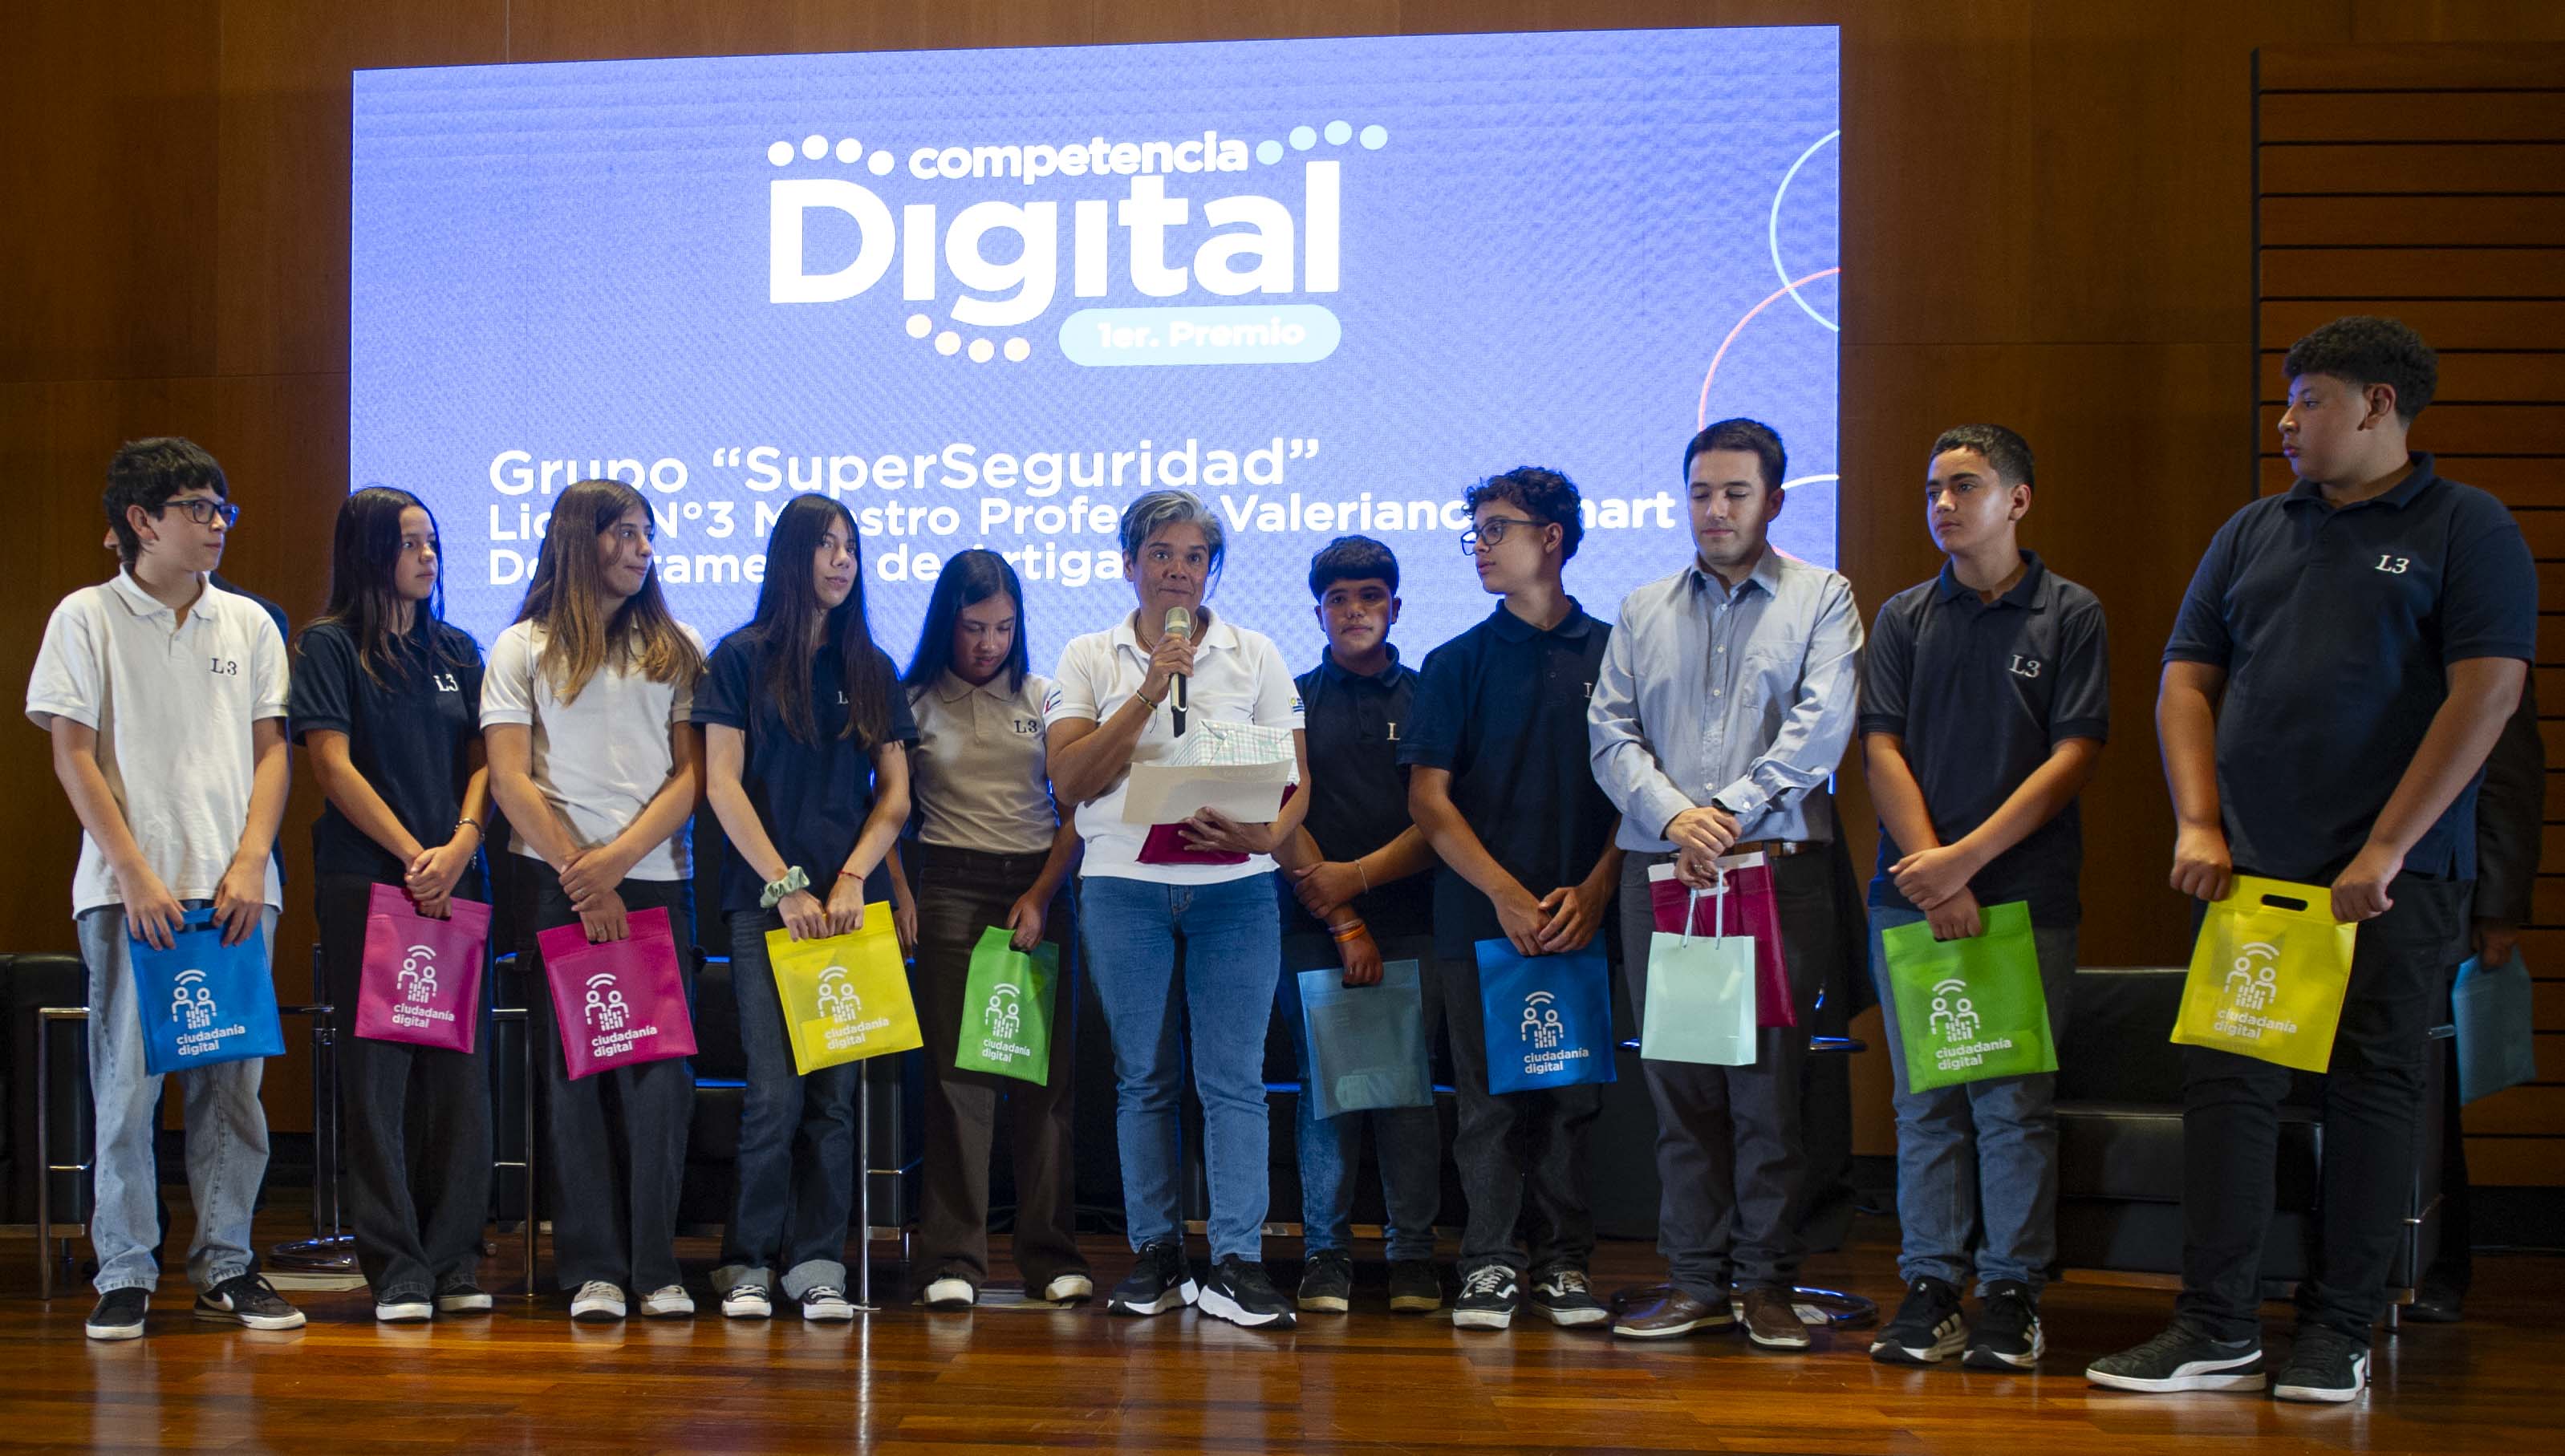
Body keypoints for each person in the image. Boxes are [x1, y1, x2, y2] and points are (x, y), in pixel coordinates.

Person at [2088, 316, 2535, 1403]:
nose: (2286, 422)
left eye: (2309, 401)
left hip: (2391, 884)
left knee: (2375, 1090)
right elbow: (2185, 676)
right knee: (2228, 1088)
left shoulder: (2465, 526)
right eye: (2287, 402)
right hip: (2254, 881)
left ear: (2378, 407)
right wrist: (2198, 820)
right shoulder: (2252, 530)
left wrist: (2388, 844)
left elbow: (2489, 692)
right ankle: (2215, 1325)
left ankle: (2337, 1330)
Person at [1586, 420, 1864, 1350]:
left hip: (1774, 875)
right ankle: (1693, 1279)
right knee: (1680, 1089)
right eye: (1701, 492)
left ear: (1773, 501)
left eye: (1735, 493)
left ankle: (1768, 1284)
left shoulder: (1823, 599)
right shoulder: (1640, 608)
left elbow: (1820, 731)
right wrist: (1674, 817)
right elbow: (1610, 735)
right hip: (1661, 875)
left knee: (1766, 1091)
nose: (1715, 510)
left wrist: (1728, 812)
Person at [29, 437, 306, 1340]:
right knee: (129, 1086)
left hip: (233, 891)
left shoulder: (250, 623)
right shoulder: (87, 617)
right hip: (128, 892)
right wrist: (134, 873)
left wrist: (250, 861)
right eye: (197, 508)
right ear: (140, 521)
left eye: (222, 508)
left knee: (233, 1089)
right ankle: (125, 1270)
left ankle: (227, 1264)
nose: (216, 524)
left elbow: (273, 750)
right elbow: (73, 751)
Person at [1855, 425, 2108, 1369]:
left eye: (1963, 486)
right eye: (1931, 489)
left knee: (2008, 1103)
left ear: (2017, 499)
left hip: (2021, 896)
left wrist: (1964, 864)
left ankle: (2009, 1291)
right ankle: (1928, 1285)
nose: (1943, 505)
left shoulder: (2068, 612)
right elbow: (1878, 746)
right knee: (1925, 1103)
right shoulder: (1903, 617)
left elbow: (2073, 755)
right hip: (1908, 894)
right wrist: (1930, 870)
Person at [1045, 489, 1310, 1329]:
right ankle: (1156, 1254)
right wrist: (1149, 690)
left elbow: (1296, 785)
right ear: (1129, 564)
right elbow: (1072, 780)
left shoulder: (1254, 653)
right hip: (1121, 886)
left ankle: (1235, 1261)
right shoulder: (1087, 656)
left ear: (1211, 570)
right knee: (1143, 1078)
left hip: (1233, 890)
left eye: (1194, 557)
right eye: (1161, 553)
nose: (1177, 571)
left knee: (1233, 1081)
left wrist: (1261, 834)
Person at [482, 477, 708, 1323]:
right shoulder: (522, 646)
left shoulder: (677, 645)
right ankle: (592, 1269)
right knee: (574, 1077)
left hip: (652, 878)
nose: (640, 547)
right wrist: (583, 871)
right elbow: (509, 775)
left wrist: (616, 862)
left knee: (660, 1081)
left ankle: (655, 1265)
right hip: (554, 880)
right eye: (622, 532)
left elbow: (692, 775)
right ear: (580, 540)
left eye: (647, 532)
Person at [1405, 466, 1622, 1332]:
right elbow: (1428, 799)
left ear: (1552, 539)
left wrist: (1600, 887)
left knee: (1570, 1100)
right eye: (1476, 532)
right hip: (1480, 918)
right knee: (1488, 1104)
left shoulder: (1615, 652)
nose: (1481, 548)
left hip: (1583, 912)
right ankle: (1490, 1263)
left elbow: (1637, 791)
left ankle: (1565, 1264)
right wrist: (1502, 895)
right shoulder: (1454, 661)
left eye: (1497, 529)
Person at [697, 493, 912, 1324]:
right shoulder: (740, 658)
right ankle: (746, 1261)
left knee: (834, 1095)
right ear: (792, 556)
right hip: (767, 907)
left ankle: (817, 1262)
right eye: (825, 546)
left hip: (850, 910)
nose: (840, 561)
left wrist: (854, 878)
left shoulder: (870, 667)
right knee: (773, 1093)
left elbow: (893, 794)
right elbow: (720, 782)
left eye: (850, 547)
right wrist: (784, 887)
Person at [293, 485, 497, 1324]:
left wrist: (460, 842)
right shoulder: (330, 646)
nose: (427, 556)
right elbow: (332, 766)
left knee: (458, 1078)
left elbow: (488, 759)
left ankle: (452, 1258)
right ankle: (397, 1267)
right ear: (369, 552)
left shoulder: (457, 647)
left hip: (454, 883)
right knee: (377, 1078)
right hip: (370, 883)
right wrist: (414, 855)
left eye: (432, 541)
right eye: (409, 542)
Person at [885, 550, 1090, 1312]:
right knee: (956, 1082)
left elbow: (1075, 809)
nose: (988, 643)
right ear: (948, 623)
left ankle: (1049, 1256)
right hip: (948, 887)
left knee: (1042, 1081)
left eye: (1003, 628)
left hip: (1037, 890)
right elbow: (891, 809)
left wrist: (1042, 892)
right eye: (973, 628)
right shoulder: (910, 700)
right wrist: (902, 892)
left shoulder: (1044, 696)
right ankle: (952, 1261)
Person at [1268, 537, 1447, 1316]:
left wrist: (1363, 881)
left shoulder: (1426, 699)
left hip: (1411, 921)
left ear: (1394, 607)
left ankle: (1411, 1258)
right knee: (1326, 1096)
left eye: (1368, 597)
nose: (1353, 613)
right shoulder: (1290, 699)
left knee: (1406, 1095)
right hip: (1314, 928)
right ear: (1317, 612)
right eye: (1337, 600)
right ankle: (1325, 1258)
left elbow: (1437, 818)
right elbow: (1277, 815)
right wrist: (1340, 914)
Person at [2413, 675, 2540, 1321]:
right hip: (2320, 885)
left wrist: (2498, 908)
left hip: (2436, 890)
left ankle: (2439, 1265)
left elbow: (2507, 774)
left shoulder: (2471, 599)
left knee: (2426, 1091)